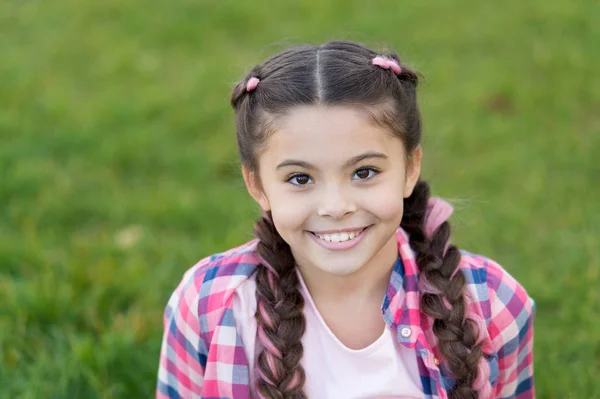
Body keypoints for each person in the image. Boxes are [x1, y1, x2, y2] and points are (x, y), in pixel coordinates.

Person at [156, 40, 535, 399]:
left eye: (364, 172)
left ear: (409, 168)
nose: (335, 207)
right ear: (257, 185)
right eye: (300, 178)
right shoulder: (209, 306)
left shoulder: (492, 303)